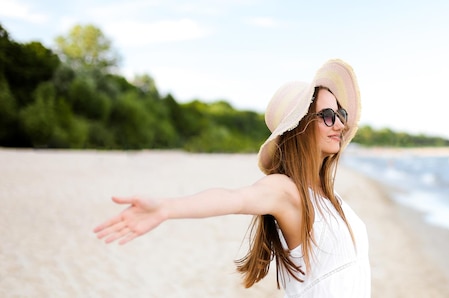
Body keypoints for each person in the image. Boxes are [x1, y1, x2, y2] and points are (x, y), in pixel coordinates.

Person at [93, 59, 371, 297]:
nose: (340, 124)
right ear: (298, 128)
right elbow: (234, 198)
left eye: (340, 114)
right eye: (327, 115)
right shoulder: (286, 190)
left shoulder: (328, 196)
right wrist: (167, 208)